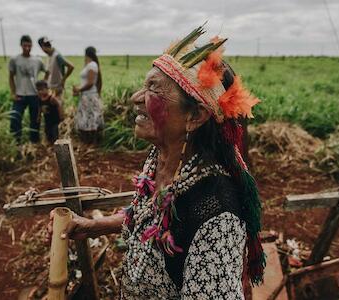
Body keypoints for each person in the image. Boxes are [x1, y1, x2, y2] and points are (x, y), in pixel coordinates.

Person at [49, 25, 265, 299]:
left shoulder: (216, 215)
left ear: (195, 116)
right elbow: (150, 216)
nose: (135, 98)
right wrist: (92, 226)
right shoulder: (162, 158)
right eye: (145, 84)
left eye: (154, 89)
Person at [9, 35, 48, 144]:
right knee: (15, 118)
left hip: (34, 95)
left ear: (32, 46)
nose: (27, 48)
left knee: (35, 121)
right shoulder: (15, 60)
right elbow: (11, 76)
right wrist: (13, 92)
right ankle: (17, 143)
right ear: (21, 45)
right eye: (25, 46)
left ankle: (34, 143)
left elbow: (47, 72)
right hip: (20, 95)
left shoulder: (37, 60)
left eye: (29, 46)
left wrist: (42, 87)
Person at [72, 46, 104, 143]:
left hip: (89, 95)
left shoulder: (92, 65)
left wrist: (79, 89)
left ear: (86, 54)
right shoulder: (90, 64)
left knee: (91, 118)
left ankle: (92, 142)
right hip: (86, 95)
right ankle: (89, 142)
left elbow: (90, 83)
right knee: (88, 118)